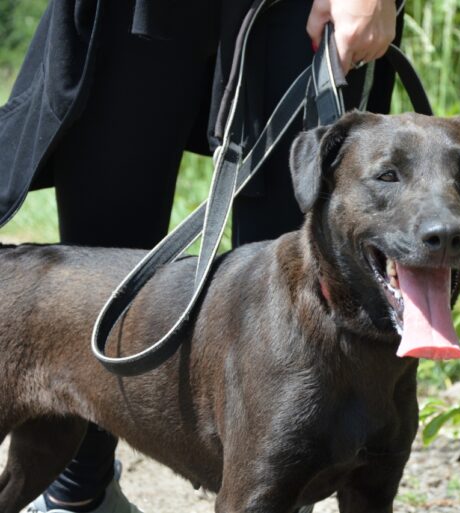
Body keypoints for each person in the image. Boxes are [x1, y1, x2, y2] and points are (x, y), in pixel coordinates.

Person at [0, 0, 402, 512]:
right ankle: (78, 493)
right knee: (101, 256)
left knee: (293, 263)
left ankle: (278, 487)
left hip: (300, 10)